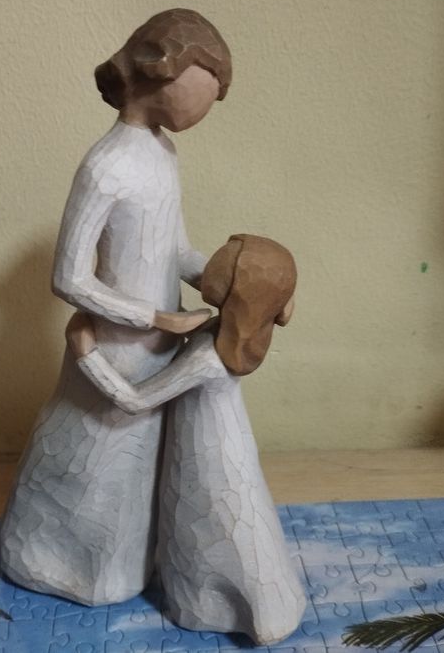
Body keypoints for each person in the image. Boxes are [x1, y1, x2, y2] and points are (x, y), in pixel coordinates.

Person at [0, 9, 233, 606]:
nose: (209, 106)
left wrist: (220, 279)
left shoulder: (164, 155)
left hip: (158, 349)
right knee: (92, 457)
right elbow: (69, 277)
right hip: (116, 346)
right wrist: (154, 318)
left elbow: (175, 248)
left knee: (137, 464)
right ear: (159, 71)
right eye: (204, 88)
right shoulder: (106, 166)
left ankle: (127, 564)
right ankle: (56, 561)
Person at [66, 235, 306, 645]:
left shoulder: (208, 357)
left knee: (207, 529)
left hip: (203, 461)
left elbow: (135, 400)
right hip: (228, 446)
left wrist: (86, 353)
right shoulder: (246, 335)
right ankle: (249, 605)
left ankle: (225, 608)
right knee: (233, 527)